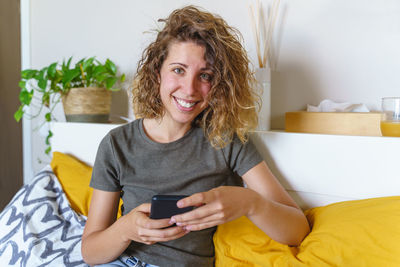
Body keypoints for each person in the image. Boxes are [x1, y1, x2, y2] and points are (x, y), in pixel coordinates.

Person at [81, 5, 310, 267]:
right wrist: (125, 229)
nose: (189, 89)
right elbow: (90, 251)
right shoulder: (117, 144)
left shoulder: (226, 141)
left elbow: (297, 229)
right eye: (178, 70)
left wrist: (250, 203)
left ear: (219, 84)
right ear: (158, 73)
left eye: (205, 76)